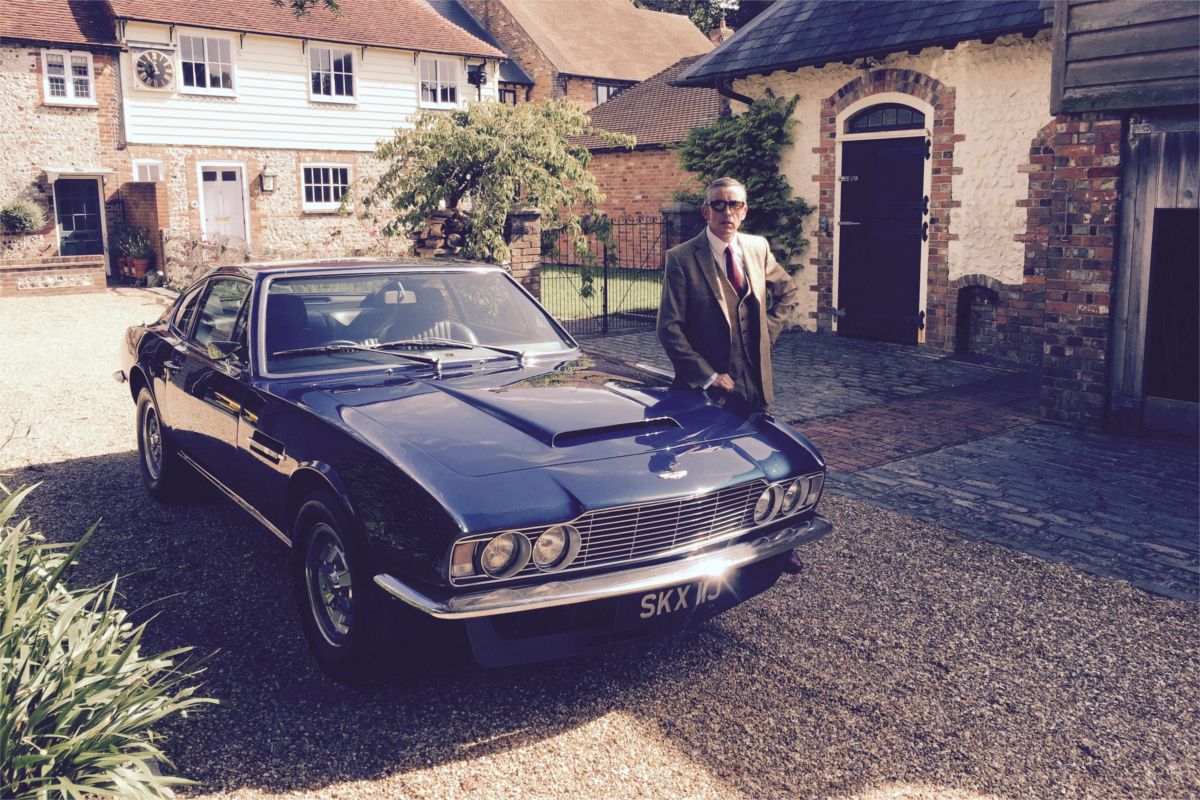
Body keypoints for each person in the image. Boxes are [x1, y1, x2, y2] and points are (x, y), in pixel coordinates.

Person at [657, 177, 799, 412]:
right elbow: (669, 328)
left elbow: (787, 292)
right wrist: (708, 376)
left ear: (744, 210)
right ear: (706, 211)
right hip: (710, 390)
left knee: (757, 446)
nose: (727, 212)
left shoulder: (758, 247)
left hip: (756, 384)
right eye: (718, 205)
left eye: (735, 204)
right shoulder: (681, 258)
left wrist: (766, 336)